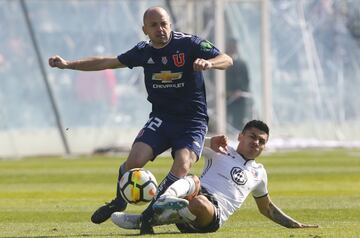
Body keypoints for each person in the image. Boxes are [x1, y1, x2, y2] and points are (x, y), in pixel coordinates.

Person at [48, 6, 233, 235]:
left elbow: (226, 59)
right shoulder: (142, 51)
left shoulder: (189, 44)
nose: (160, 29)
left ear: (170, 25)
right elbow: (106, 62)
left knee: (183, 164)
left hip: (191, 121)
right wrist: (68, 64)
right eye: (154, 25)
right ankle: (118, 202)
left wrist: (210, 63)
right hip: (162, 118)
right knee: (134, 160)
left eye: (164, 23)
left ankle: (151, 212)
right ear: (145, 29)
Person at [111, 120, 319, 233]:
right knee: (193, 179)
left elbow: (267, 208)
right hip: (192, 194)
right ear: (241, 136)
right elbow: (187, 144)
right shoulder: (222, 149)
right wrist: (210, 140)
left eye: (261, 141)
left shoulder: (259, 172)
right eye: (252, 137)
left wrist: (294, 224)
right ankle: (166, 201)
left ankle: (143, 219)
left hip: (211, 215)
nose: (256, 143)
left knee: (200, 202)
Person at [225, 38, 252, 130]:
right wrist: (228, 92)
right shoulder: (221, 63)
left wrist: (240, 91)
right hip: (225, 98)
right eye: (230, 46)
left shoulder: (242, 64)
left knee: (239, 123)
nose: (232, 48)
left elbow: (246, 80)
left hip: (240, 99)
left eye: (234, 46)